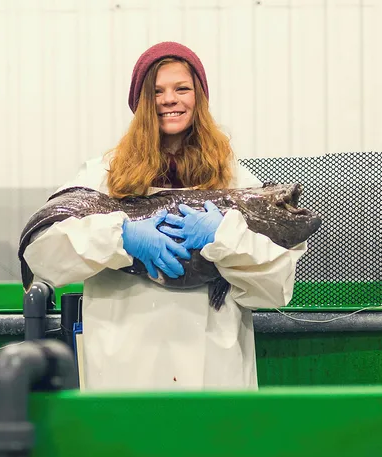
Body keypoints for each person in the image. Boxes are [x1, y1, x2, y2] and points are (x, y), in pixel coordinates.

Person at [22, 41, 308, 391]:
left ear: (199, 98)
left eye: (181, 88)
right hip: (123, 368)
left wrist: (224, 237)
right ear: (140, 104)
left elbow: (275, 287)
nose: (169, 100)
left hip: (214, 369)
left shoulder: (237, 181)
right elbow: (42, 254)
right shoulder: (102, 177)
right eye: (156, 91)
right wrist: (120, 236)